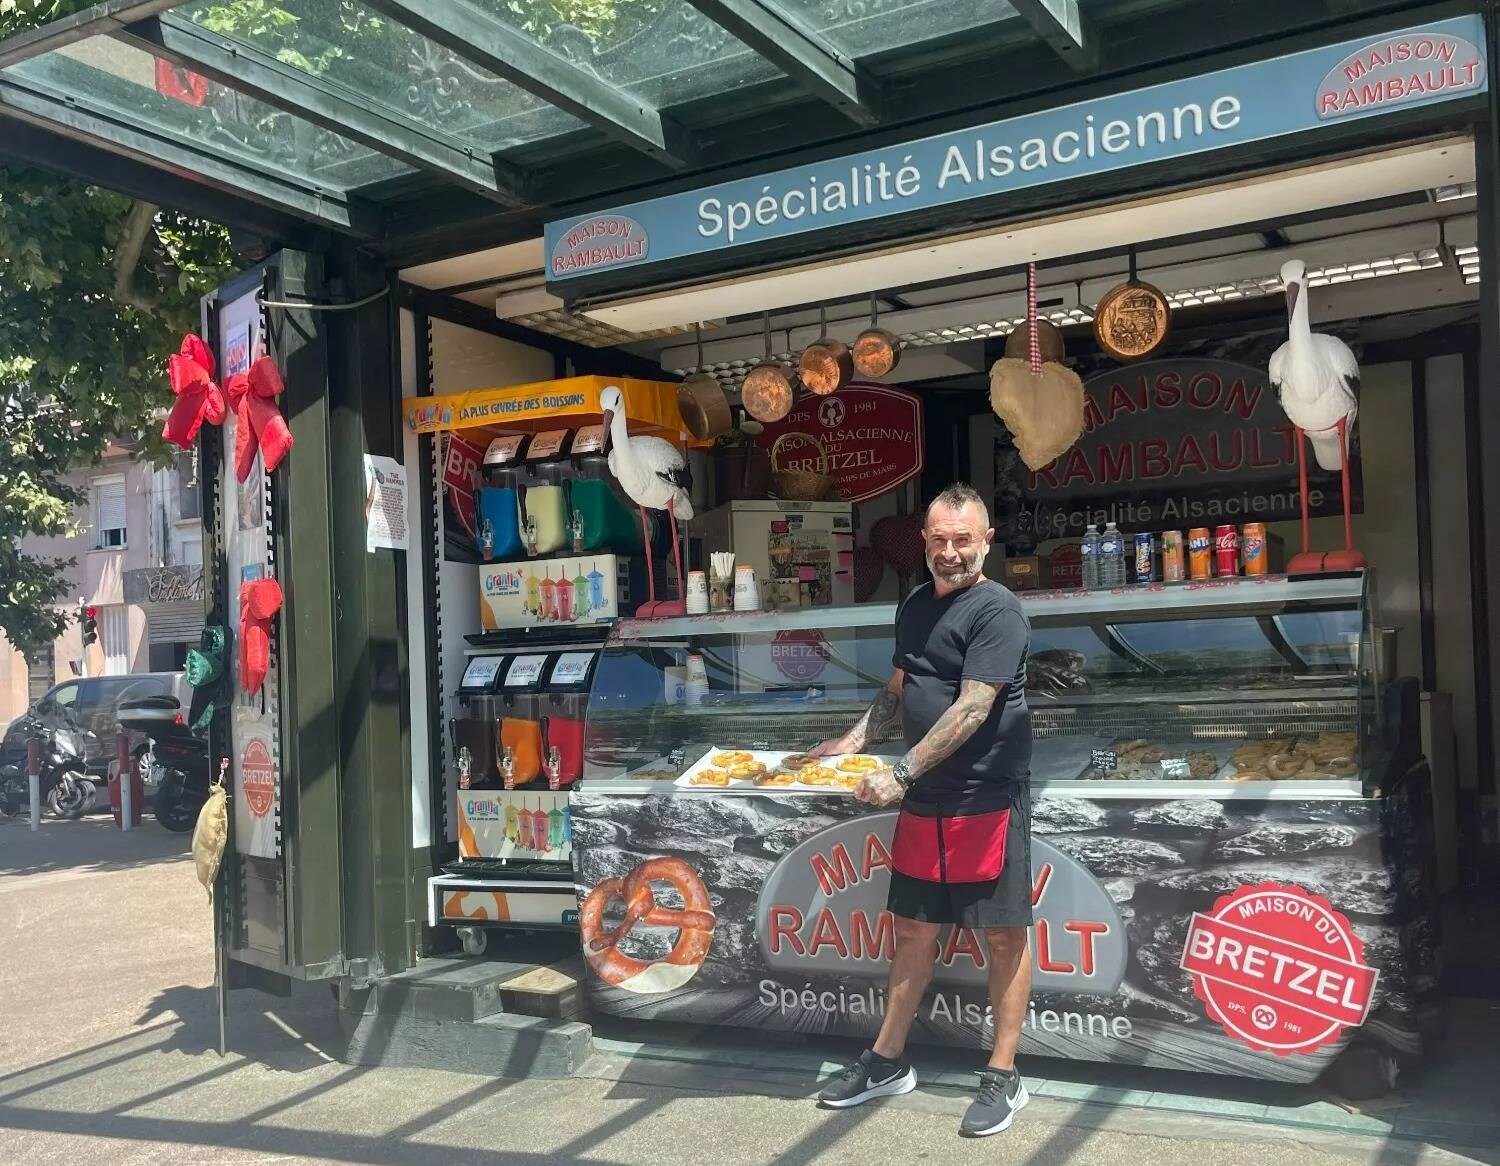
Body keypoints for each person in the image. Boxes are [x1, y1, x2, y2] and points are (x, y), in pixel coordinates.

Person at [812, 483, 1033, 1138]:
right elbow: (902, 682)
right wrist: (854, 740)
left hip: (985, 796)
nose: (950, 552)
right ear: (925, 542)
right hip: (926, 798)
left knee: (1003, 936)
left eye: (963, 539)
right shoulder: (913, 604)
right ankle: (887, 1061)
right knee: (911, 930)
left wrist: (901, 772)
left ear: (986, 540)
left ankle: (1003, 1074)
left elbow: (974, 705)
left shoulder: (998, 609)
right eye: (939, 540)